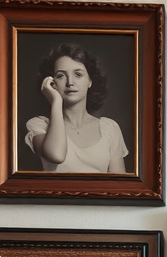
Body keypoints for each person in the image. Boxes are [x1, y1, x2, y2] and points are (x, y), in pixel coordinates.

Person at [25, 43, 128, 173]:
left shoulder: (110, 128)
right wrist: (56, 101)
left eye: (78, 75)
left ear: (90, 81)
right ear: (52, 83)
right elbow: (56, 155)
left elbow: (119, 188)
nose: (70, 82)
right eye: (61, 76)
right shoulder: (39, 125)